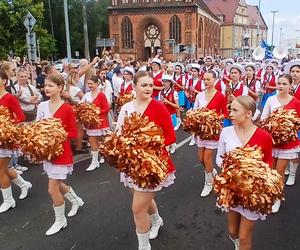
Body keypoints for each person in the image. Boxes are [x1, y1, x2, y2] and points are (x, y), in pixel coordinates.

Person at [117, 71, 176, 250]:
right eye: (144, 85)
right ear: (134, 86)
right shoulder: (126, 108)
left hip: (152, 164)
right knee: (139, 197)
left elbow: (171, 136)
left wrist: (147, 147)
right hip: (132, 163)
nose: (149, 88)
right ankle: (157, 220)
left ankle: (144, 246)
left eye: (151, 85)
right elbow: (119, 133)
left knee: (137, 208)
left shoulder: (159, 107)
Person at [217, 95, 273, 250]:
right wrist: (236, 170)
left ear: (248, 113)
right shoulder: (226, 132)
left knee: (244, 236)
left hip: (252, 192)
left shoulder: (264, 137)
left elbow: (268, 163)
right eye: (230, 110)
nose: (230, 114)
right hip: (232, 189)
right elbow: (219, 159)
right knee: (233, 231)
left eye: (235, 110)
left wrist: (254, 175)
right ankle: (237, 244)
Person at [36, 74, 83, 235]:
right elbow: (37, 125)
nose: (46, 88)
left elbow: (73, 132)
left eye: (50, 86)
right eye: (45, 86)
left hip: (61, 153)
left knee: (52, 189)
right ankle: (75, 200)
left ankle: (60, 220)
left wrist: (56, 133)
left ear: (60, 88)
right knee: (58, 184)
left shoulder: (68, 108)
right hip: (47, 153)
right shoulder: (42, 106)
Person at [261, 74, 300, 213]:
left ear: (290, 86)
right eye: (279, 83)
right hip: (272, 141)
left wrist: (288, 128)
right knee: (271, 170)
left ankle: (277, 197)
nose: (281, 86)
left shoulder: (296, 102)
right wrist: (273, 125)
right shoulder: (271, 99)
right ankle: (272, 191)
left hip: (287, 143)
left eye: (284, 84)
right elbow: (263, 117)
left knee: (280, 171)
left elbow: (298, 122)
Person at [0, 69, 31, 213]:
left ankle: (8, 200)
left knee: (0, 170)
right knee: (5, 168)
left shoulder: (9, 98)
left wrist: (7, 125)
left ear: (4, 81)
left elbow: (21, 116)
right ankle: (23, 184)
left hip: (5, 138)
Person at [194, 70, 228, 197]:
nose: (206, 81)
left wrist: (214, 119)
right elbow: (194, 111)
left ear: (215, 80)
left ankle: (209, 183)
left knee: (207, 157)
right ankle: (211, 171)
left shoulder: (220, 96)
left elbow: (225, 113)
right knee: (201, 159)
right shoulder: (200, 96)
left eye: (208, 79)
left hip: (213, 131)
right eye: (204, 79)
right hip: (201, 131)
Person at [81, 75, 110, 172]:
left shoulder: (101, 95)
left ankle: (104, 155)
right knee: (92, 140)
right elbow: (81, 106)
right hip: (90, 123)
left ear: (97, 83)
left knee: (102, 140)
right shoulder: (86, 95)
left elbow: (106, 108)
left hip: (100, 122)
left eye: (91, 84)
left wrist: (96, 112)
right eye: (88, 84)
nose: (89, 85)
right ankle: (94, 161)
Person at [284, 60, 300, 186]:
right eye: (293, 71)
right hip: (285, 121)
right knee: (285, 145)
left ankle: (293, 173)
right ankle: (287, 168)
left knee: (294, 149)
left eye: (297, 71)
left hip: (297, 121)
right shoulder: (287, 86)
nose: (295, 74)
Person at [158, 74, 179, 154]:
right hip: (163, 116)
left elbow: (177, 106)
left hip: (171, 115)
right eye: (163, 81)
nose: (164, 83)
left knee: (171, 132)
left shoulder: (174, 92)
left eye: (166, 81)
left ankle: (173, 145)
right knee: (164, 132)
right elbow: (159, 103)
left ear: (170, 83)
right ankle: (168, 146)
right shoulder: (161, 92)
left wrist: (167, 102)